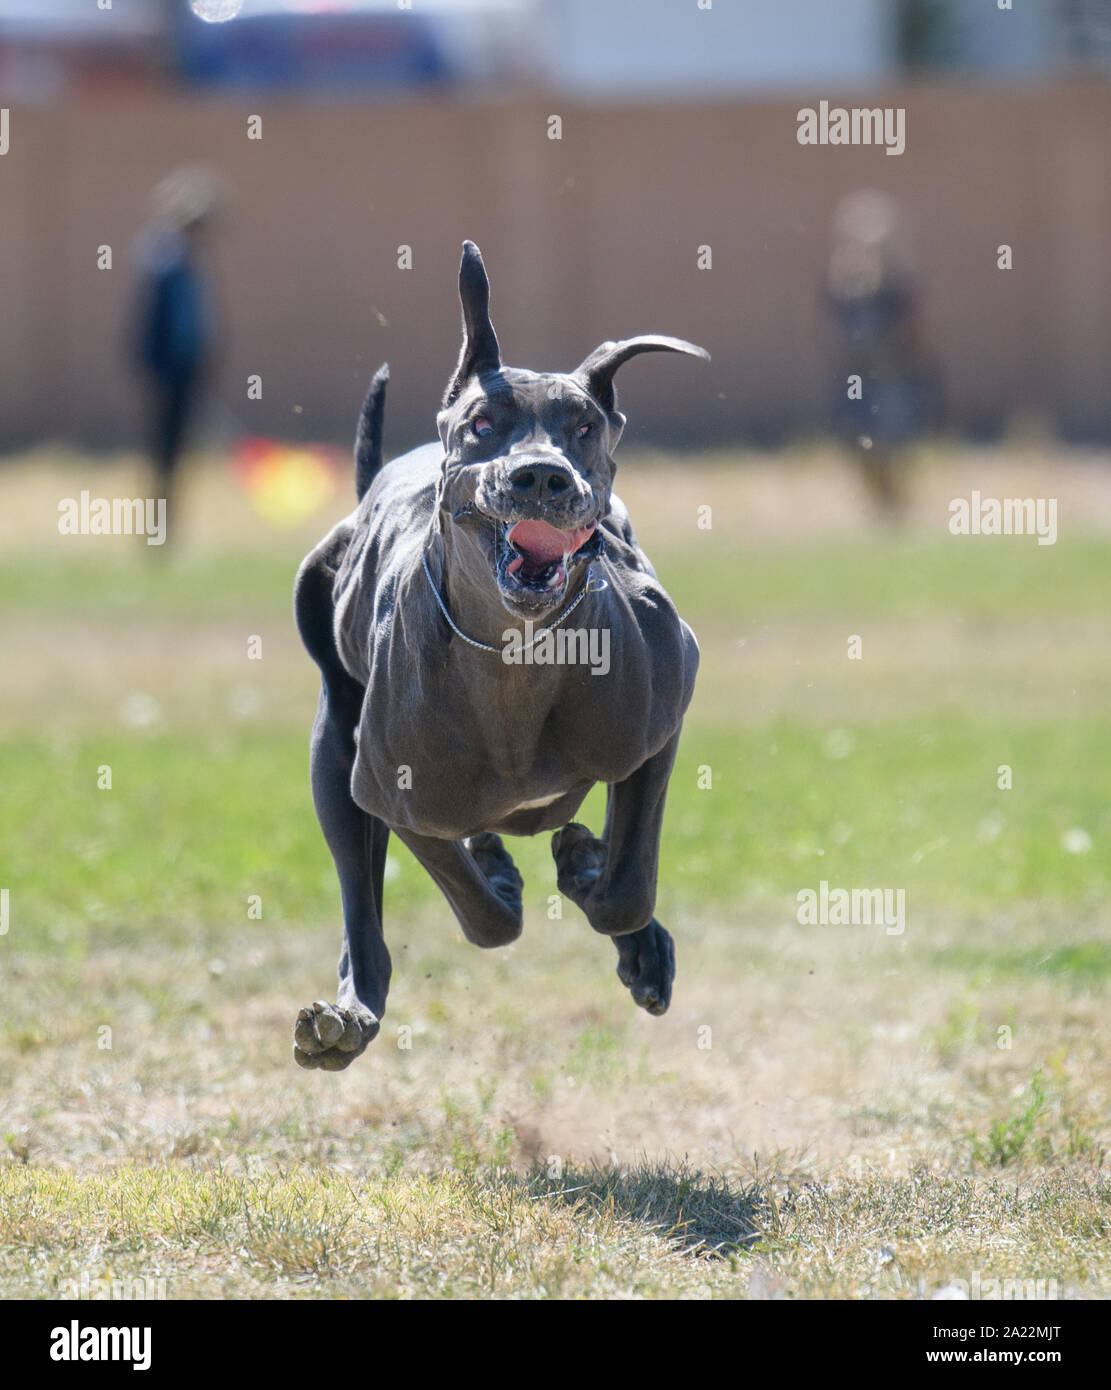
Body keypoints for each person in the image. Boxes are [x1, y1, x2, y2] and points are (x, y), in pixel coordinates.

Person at [130, 166, 229, 542]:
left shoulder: (185, 261)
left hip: (185, 371)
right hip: (169, 373)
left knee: (175, 455)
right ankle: (156, 532)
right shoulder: (166, 260)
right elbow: (156, 325)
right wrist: (160, 371)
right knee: (164, 455)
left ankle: (165, 530)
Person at [825, 189, 936, 515]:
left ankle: (897, 508)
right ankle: (878, 506)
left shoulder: (897, 285)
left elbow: (911, 330)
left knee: (895, 445)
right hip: (857, 377)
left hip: (892, 375)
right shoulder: (842, 281)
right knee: (858, 444)